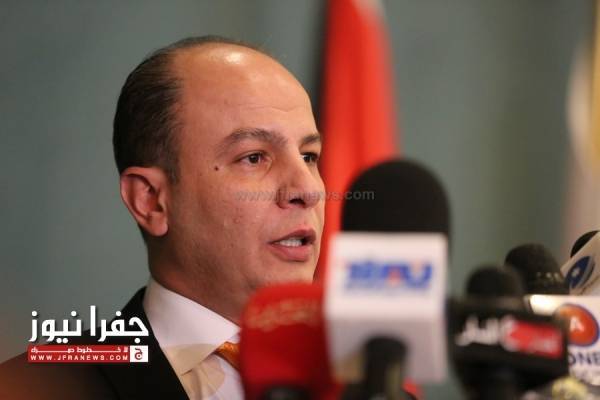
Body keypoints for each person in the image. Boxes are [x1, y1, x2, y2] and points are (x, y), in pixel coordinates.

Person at [0, 35, 325, 400]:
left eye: (309, 156)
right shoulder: (36, 390)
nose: (308, 190)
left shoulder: (362, 377)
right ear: (151, 201)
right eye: (253, 157)